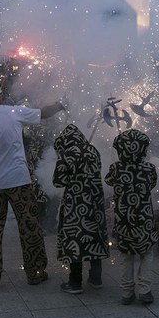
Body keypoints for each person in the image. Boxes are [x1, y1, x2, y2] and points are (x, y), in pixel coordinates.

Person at [0, 80, 64, 292]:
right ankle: (35, 273)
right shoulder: (13, 112)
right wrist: (60, 104)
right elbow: (42, 113)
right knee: (29, 228)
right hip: (19, 182)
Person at [52, 124, 108, 294]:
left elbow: (58, 181)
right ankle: (96, 278)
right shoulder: (93, 151)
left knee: (75, 238)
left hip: (75, 204)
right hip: (95, 202)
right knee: (94, 237)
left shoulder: (67, 154)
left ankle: (75, 282)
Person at [105, 129, 158, 305]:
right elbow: (152, 184)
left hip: (123, 219)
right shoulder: (149, 168)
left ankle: (127, 292)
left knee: (126, 255)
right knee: (147, 252)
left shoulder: (115, 168)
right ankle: (145, 289)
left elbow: (108, 181)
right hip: (143, 217)